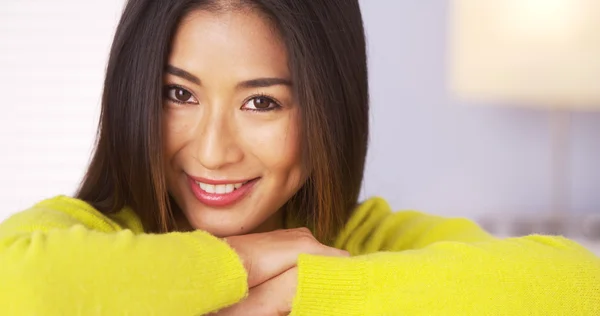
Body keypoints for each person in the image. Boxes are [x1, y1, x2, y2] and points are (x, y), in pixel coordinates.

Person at [1, 0, 598, 315]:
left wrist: (305, 291)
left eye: (262, 102)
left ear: (327, 112)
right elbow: (17, 288)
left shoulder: (362, 243)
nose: (212, 150)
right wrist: (241, 261)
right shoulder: (88, 237)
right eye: (179, 94)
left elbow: (577, 287)